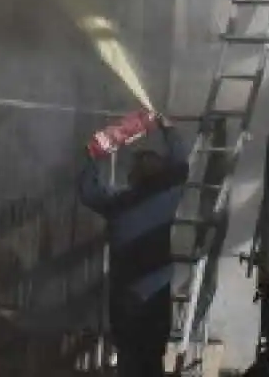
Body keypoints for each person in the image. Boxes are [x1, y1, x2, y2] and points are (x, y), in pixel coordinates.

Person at [78, 115, 189, 377]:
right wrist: (168, 129)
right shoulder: (167, 197)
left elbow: (88, 191)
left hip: (125, 298)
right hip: (155, 295)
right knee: (152, 360)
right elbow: (181, 164)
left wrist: (92, 156)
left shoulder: (119, 205)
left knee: (129, 359)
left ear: (132, 176)